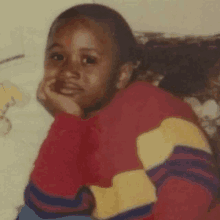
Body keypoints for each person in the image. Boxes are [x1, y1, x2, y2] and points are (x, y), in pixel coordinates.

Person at [17, 3, 220, 220]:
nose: (68, 71)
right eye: (57, 57)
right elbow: (48, 206)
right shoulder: (72, 128)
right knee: (30, 214)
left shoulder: (148, 105)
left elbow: (191, 185)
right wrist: (66, 121)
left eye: (88, 60)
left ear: (122, 75)